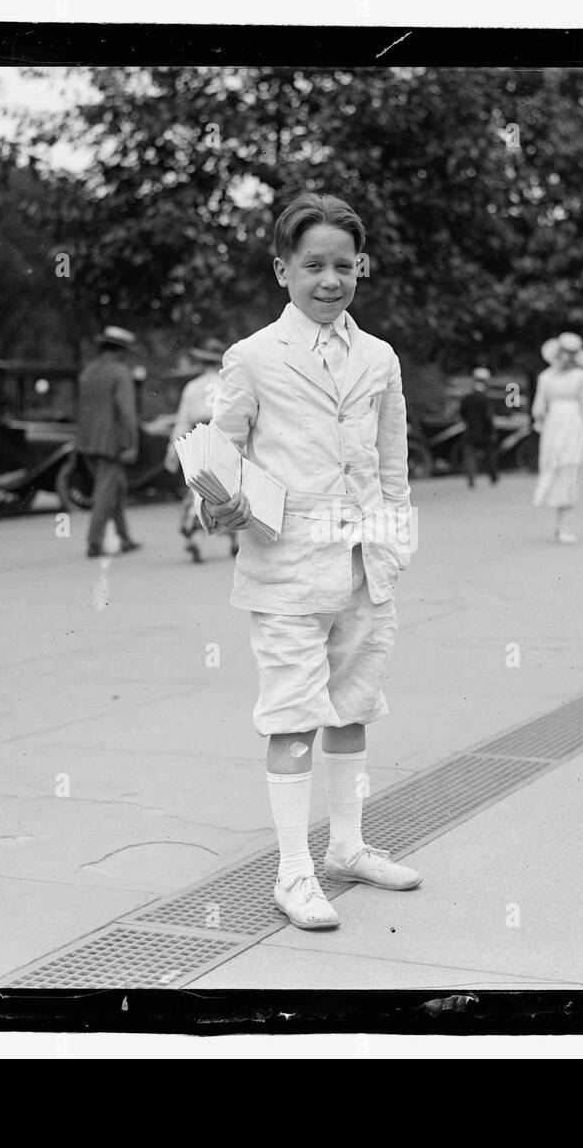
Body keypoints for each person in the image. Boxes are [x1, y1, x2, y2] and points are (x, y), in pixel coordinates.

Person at [192, 192, 419, 931]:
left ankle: (347, 847)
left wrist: (391, 548)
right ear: (281, 269)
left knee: (352, 711)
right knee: (292, 718)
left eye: (343, 265)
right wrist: (215, 505)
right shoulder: (253, 357)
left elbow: (392, 464)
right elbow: (217, 456)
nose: (330, 279)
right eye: (313, 264)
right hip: (286, 568)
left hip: (362, 567)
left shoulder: (379, 357)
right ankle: (294, 870)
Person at [165, 341, 240, 563]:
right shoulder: (230, 384)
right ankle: (235, 538)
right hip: (225, 438)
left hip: (200, 438)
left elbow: (182, 421)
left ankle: (196, 534)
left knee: (199, 488)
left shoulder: (192, 386)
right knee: (231, 489)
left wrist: (173, 447)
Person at [76, 326, 143, 558]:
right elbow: (127, 413)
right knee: (106, 494)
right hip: (110, 444)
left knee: (116, 488)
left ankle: (124, 538)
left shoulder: (88, 371)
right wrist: (132, 445)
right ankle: (94, 542)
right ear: (120, 351)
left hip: (87, 442)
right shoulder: (119, 372)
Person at [531, 331, 583, 543]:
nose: (566, 359)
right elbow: (538, 407)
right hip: (554, 427)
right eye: (563, 353)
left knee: (571, 470)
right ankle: (559, 523)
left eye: (571, 354)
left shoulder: (581, 376)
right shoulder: (545, 377)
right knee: (554, 468)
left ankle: (564, 525)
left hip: (574, 426)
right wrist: (541, 420)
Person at [458, 366, 500, 488]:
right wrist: (491, 431)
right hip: (484, 432)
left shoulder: (467, 398)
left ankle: (471, 480)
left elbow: (462, 413)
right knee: (489, 455)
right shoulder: (485, 399)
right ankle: (493, 477)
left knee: (469, 456)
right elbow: (488, 417)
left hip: (470, 430)